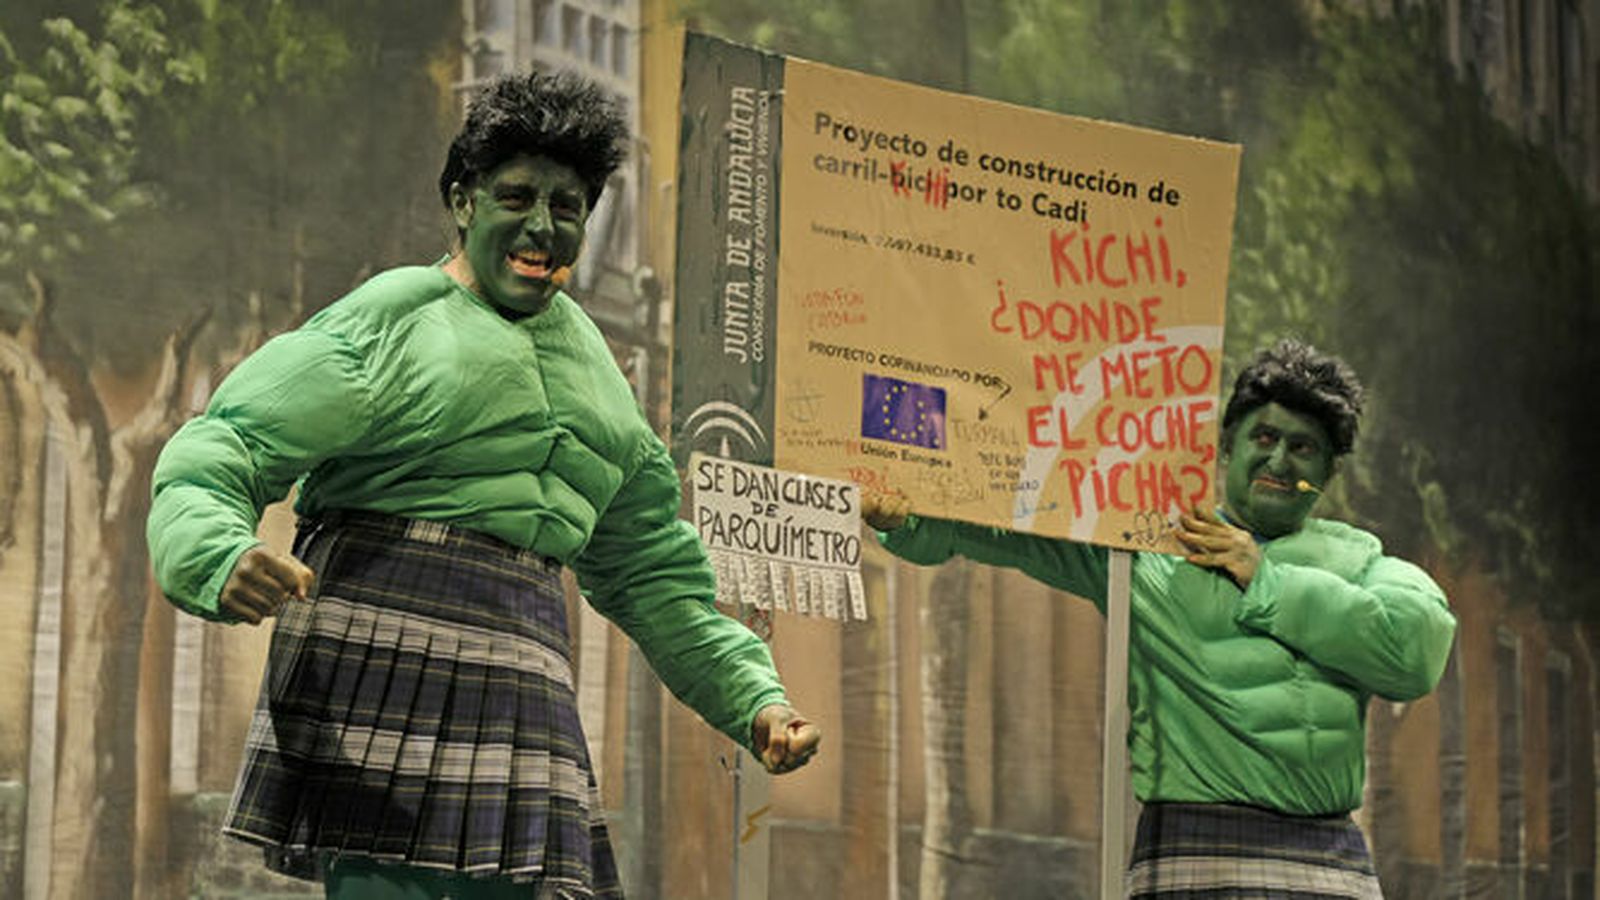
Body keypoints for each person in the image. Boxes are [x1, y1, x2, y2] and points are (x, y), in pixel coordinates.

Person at [148, 70, 819, 900]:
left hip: (520, 682)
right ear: (463, 203)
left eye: (567, 206)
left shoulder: (601, 380)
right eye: (516, 196)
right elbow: (230, 443)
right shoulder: (393, 319)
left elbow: (655, 575)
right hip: (380, 676)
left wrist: (755, 701)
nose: (542, 225)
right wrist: (216, 552)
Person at [863, 338, 1454, 898]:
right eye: (1264, 437)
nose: (1278, 458)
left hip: (1328, 860)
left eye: (1303, 448)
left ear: (1326, 473)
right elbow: (1000, 529)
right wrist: (904, 520)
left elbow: (1417, 652)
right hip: (1191, 850)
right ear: (1227, 446)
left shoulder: (1361, 559)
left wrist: (1266, 577)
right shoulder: (1145, 545)